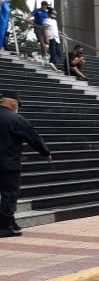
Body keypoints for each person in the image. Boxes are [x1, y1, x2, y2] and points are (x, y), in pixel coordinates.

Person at [0, 89, 52, 236]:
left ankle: (9, 222)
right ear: (13, 103)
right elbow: (33, 137)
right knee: (9, 195)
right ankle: (4, 227)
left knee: (6, 196)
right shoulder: (16, 119)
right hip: (8, 164)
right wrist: (45, 152)